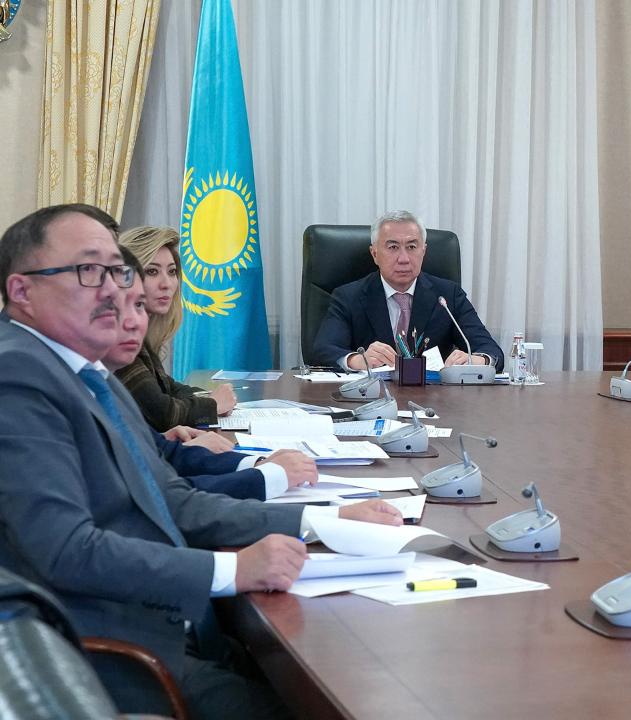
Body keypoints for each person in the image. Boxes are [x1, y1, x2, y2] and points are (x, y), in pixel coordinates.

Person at [0, 204, 403, 719]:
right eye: (88, 270)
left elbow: (172, 499)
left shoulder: (86, 374)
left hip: (172, 625)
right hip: (115, 655)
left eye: (117, 271)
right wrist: (234, 568)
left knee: (354, 669)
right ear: (22, 291)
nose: (112, 291)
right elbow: (67, 550)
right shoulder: (17, 376)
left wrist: (321, 521)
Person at [109, 248, 317, 501]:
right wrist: (264, 474)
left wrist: (256, 464)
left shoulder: (119, 356)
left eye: (139, 305)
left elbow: (161, 438)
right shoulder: (98, 371)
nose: (167, 284)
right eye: (152, 271)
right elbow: (162, 422)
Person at [312, 210, 504, 371]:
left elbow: (492, 352)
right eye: (393, 247)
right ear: (375, 253)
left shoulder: (447, 296)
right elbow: (323, 351)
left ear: (424, 251)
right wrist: (358, 360)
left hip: (435, 399)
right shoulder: (349, 297)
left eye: (411, 247)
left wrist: (476, 360)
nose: (403, 259)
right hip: (373, 397)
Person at [114, 225, 237, 431]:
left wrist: (209, 397)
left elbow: (167, 388)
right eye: (152, 271)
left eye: (172, 272)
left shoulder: (138, 333)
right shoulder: (116, 336)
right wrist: (213, 404)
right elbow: (162, 413)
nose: (167, 284)